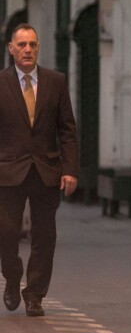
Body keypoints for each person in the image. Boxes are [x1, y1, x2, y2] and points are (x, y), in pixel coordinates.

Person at [0, 23, 79, 317]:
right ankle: (11, 276)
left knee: (45, 236)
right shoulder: (1, 82)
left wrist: (69, 169)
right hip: (8, 172)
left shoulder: (55, 81)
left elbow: (67, 129)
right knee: (6, 232)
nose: (28, 50)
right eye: (22, 45)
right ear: (11, 49)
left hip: (47, 170)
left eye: (33, 44)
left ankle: (35, 294)